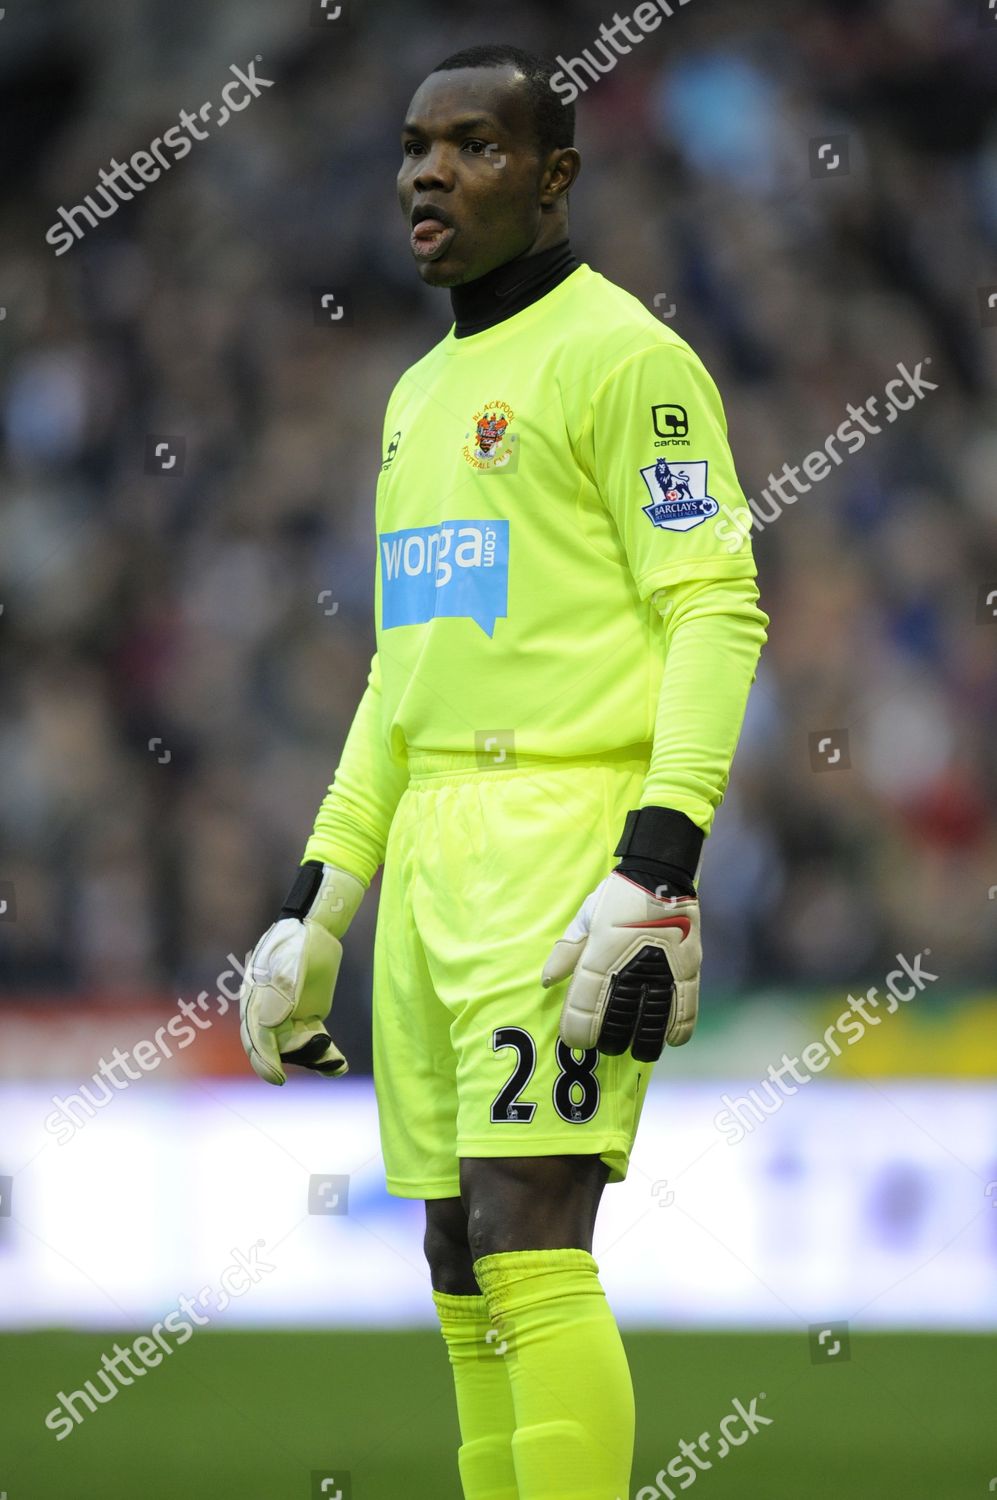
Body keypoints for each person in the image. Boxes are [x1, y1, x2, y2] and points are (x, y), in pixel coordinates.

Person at [239, 43, 768, 1500]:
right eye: (415, 146)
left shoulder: (627, 359)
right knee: (457, 1257)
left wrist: (657, 861)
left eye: (473, 145)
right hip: (430, 859)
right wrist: (320, 901)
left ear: (553, 179)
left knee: (532, 1238)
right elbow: (397, 679)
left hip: (563, 841)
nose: (427, 171)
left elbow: (712, 608)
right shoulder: (416, 397)